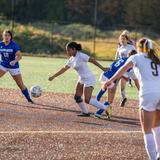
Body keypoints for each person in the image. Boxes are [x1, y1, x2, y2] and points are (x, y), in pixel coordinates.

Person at [103, 38, 160, 160]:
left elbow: (122, 69)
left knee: (147, 130)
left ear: (138, 47)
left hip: (148, 93)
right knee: (157, 126)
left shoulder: (136, 57)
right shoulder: (156, 59)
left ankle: (153, 158)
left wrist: (110, 80)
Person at [48, 41, 109, 117]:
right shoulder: (71, 59)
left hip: (89, 79)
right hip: (82, 79)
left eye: (68, 50)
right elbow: (64, 69)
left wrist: (102, 68)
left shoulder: (81, 55)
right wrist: (53, 76)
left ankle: (106, 108)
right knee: (77, 97)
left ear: (74, 49)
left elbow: (92, 60)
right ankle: (85, 112)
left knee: (87, 100)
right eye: (67, 50)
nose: (67, 52)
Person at [95, 50, 139, 119]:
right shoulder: (130, 63)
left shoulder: (122, 58)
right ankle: (98, 112)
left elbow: (112, 65)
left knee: (104, 87)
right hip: (111, 78)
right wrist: (115, 84)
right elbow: (121, 74)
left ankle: (97, 100)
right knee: (110, 100)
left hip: (105, 74)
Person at [0, 30, 33, 103]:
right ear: (3, 36)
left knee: (20, 84)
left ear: (11, 37)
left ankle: (29, 99)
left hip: (13, 67)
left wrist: (14, 61)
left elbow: (19, 56)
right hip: (3, 65)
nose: (7, 37)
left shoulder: (14, 44)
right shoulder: (0, 44)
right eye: (5, 35)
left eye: (8, 35)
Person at [115, 34, 136, 107]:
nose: (122, 40)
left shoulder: (131, 47)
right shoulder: (120, 48)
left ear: (127, 40)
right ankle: (124, 98)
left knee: (138, 85)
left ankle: (143, 99)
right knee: (121, 87)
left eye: (124, 38)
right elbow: (118, 59)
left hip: (132, 70)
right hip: (124, 70)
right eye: (121, 39)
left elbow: (136, 56)